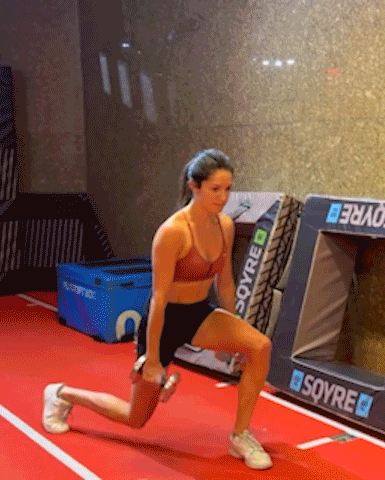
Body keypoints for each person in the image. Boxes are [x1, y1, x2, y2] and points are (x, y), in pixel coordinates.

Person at [42, 149, 274, 470]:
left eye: (228, 189)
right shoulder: (173, 232)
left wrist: (231, 340)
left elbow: (226, 284)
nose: (223, 197)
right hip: (163, 322)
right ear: (194, 186)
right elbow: (159, 300)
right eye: (215, 189)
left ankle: (240, 435)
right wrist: (152, 360)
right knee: (135, 419)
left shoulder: (225, 226)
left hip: (197, 313)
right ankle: (62, 394)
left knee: (259, 346)